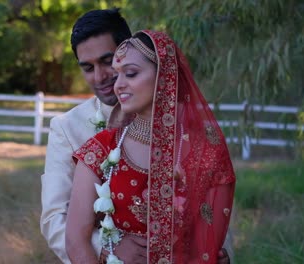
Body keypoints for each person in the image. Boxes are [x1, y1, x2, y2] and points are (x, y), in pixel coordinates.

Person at [41, 8, 232, 264]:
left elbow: (210, 215)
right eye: (88, 68)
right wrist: (108, 250)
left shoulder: (194, 139)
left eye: (108, 62)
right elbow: (55, 220)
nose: (101, 78)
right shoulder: (70, 128)